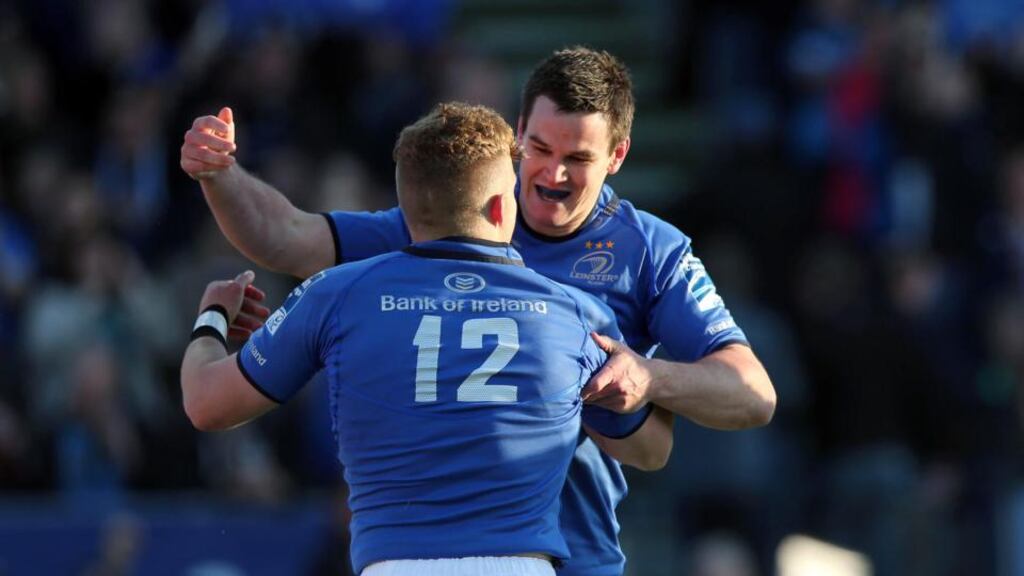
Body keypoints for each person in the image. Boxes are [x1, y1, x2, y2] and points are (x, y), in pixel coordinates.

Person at [180, 47, 775, 576]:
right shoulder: (452, 218)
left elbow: (754, 394)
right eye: (539, 149)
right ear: (518, 134)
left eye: (577, 157)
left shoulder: (650, 250)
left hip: (566, 551)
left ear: (617, 155)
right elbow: (287, 236)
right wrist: (220, 174)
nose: (553, 173)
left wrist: (650, 376)